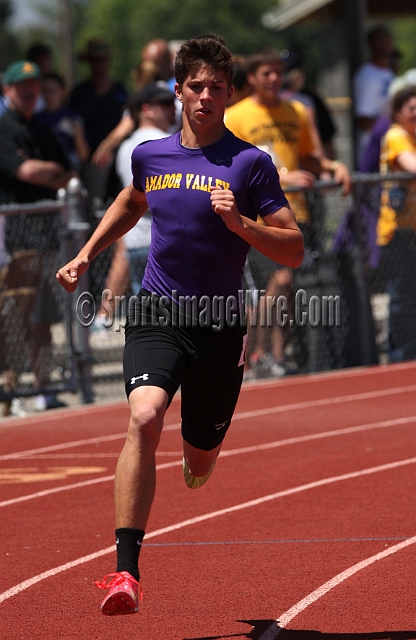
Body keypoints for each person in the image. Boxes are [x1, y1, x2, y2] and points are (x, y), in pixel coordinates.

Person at [56, 34, 304, 616]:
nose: (206, 96)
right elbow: (132, 200)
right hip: (157, 310)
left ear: (229, 94)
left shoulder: (250, 163)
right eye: (196, 86)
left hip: (219, 323)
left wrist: (242, 224)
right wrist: (87, 254)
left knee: (200, 458)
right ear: (178, 91)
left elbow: (293, 248)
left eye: (217, 87)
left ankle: (200, 456)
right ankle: (125, 573)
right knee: (144, 416)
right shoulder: (152, 156)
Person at [225, 48, 351, 378]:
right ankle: (255, 354)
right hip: (257, 218)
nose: (273, 79)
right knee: (277, 282)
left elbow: (310, 157)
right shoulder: (236, 116)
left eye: (277, 72)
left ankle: (275, 357)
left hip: (297, 215)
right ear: (251, 78)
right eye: (265, 73)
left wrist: (334, 167)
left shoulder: (297, 110)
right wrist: (282, 178)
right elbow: (232, 169)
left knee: (289, 286)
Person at [0, 60, 77, 410]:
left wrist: (48, 172)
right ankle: (11, 390)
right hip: (15, 241)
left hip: (47, 239)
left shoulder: (43, 131)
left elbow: (69, 172)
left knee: (43, 318)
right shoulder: (4, 129)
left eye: (34, 85)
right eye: (21, 86)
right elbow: (25, 171)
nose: (30, 91)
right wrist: (48, 172)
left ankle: (43, 389)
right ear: (7, 90)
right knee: (15, 317)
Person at [115, 82, 176, 294]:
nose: (173, 108)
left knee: (149, 318)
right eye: (165, 104)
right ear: (146, 110)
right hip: (163, 242)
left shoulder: (125, 145)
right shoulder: (166, 143)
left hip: (137, 241)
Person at [376, 86, 416, 362]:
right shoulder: (396, 136)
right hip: (398, 232)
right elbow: (411, 166)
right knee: (402, 297)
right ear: (399, 113)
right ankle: (399, 356)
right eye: (411, 109)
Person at [69, 37, 128, 200]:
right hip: (91, 159)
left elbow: (128, 119)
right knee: (94, 202)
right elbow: (76, 125)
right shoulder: (80, 93)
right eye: (96, 60)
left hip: (118, 153)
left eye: (103, 59)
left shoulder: (119, 90)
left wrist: (109, 146)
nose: (100, 64)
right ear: (89, 62)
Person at [353, 25, 396, 165]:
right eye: (381, 39)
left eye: (388, 38)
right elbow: (363, 120)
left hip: (389, 146)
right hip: (373, 150)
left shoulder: (389, 72)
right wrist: (393, 124)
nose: (386, 42)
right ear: (370, 44)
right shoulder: (367, 75)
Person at [36, 73, 90, 170]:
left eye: (52, 91)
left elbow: (83, 155)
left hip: (69, 168)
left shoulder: (73, 118)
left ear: (63, 91)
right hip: (44, 168)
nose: (48, 95)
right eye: (45, 91)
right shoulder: (36, 119)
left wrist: (76, 133)